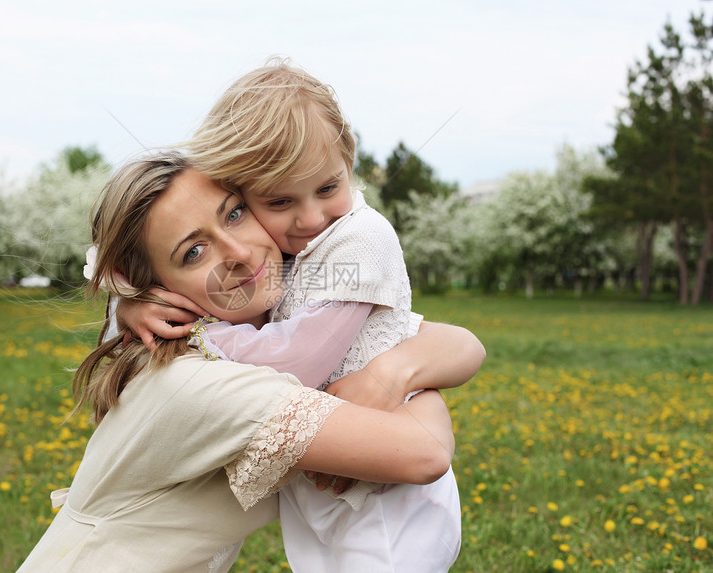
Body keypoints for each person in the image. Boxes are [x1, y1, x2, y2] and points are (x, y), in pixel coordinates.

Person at [16, 151, 475, 573]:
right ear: (155, 289)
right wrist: (406, 381)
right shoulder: (197, 381)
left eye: (234, 214)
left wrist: (392, 370)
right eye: (193, 252)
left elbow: (454, 342)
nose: (237, 253)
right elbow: (424, 451)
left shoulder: (257, 330)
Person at [119, 59, 483, 572]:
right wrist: (131, 302)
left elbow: (303, 357)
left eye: (328, 188)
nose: (310, 217)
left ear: (349, 161)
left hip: (386, 499)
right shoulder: (287, 257)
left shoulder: (360, 237)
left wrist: (204, 335)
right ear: (242, 194)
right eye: (280, 200)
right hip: (332, 484)